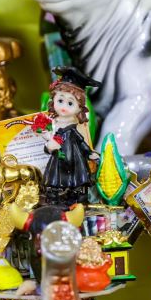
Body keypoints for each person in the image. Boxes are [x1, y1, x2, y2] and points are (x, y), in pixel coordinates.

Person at [32, 67, 99, 206]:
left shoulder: (73, 130)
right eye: (60, 100)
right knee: (55, 178)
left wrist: (89, 153)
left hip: (75, 159)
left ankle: (78, 198)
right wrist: (49, 145)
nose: (64, 107)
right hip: (59, 160)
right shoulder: (53, 125)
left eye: (70, 103)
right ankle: (54, 198)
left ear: (80, 108)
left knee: (77, 180)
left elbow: (81, 142)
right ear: (53, 100)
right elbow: (47, 144)